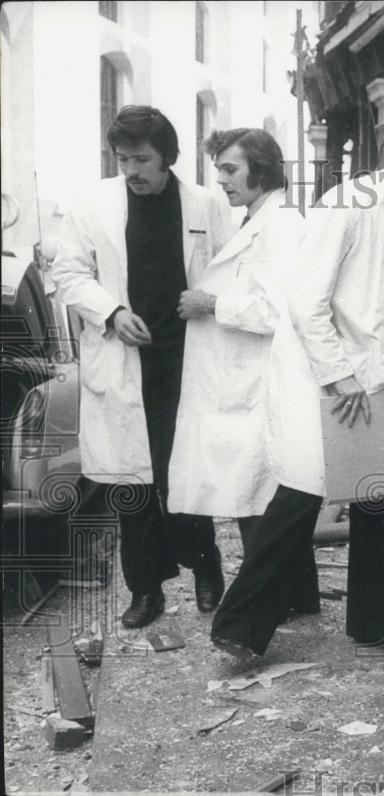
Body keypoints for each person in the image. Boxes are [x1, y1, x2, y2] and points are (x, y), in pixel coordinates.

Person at [210, 132, 384, 658]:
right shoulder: (349, 206)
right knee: (304, 495)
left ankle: (373, 622)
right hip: (327, 377)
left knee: (377, 498)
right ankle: (238, 626)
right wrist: (339, 377)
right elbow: (305, 300)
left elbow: (372, 307)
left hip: (358, 381)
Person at [51, 106, 230, 628]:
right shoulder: (92, 205)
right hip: (123, 356)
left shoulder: (204, 202)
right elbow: (68, 272)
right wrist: (112, 312)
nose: (132, 169)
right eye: (123, 158)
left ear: (167, 157)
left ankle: (205, 569)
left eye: (142, 159)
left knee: (187, 472)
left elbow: (227, 268)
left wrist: (209, 301)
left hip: (186, 357)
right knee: (130, 485)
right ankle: (145, 590)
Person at [167, 128, 310, 610]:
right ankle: (293, 598)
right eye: (219, 169)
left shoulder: (282, 226)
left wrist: (211, 303)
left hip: (261, 381)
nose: (221, 180)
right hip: (241, 381)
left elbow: (277, 310)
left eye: (230, 169)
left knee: (260, 497)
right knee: (255, 495)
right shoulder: (256, 220)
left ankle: (280, 599)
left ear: (262, 168)